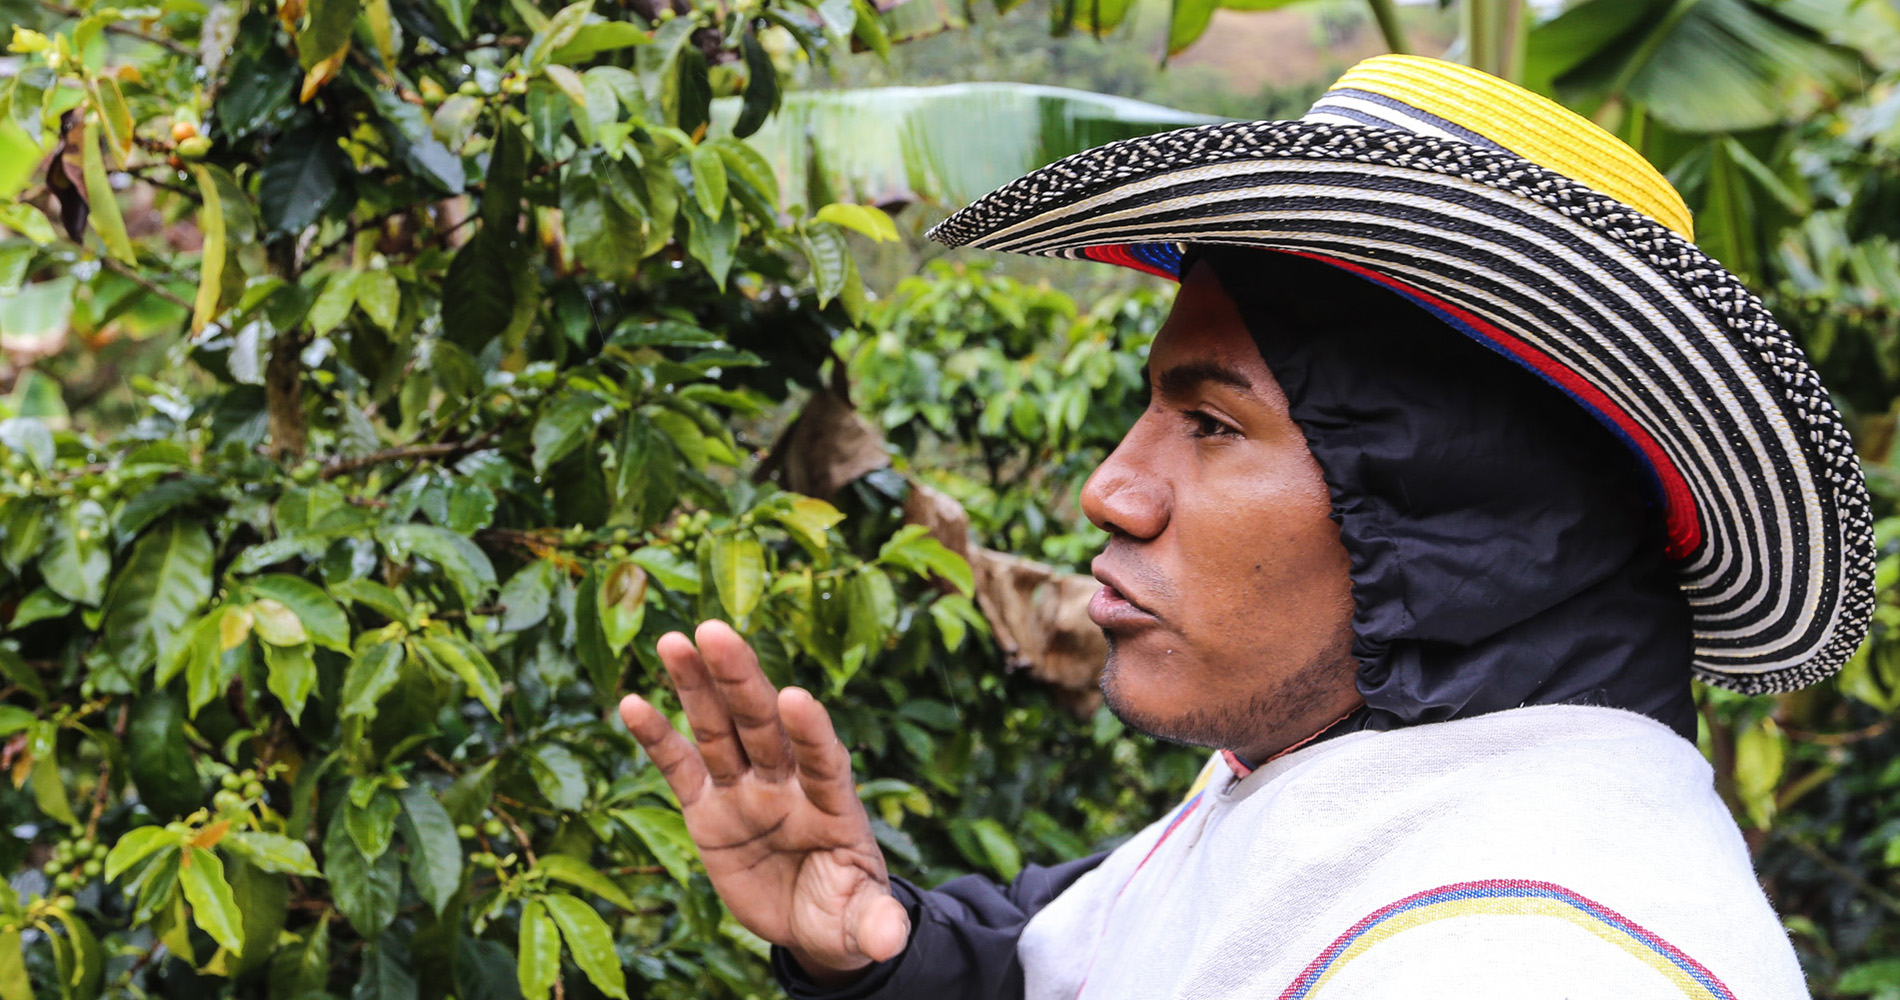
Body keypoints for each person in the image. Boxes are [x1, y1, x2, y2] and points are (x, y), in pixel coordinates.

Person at [617, 55, 1874, 998]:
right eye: (1149, 408)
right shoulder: (1340, 787)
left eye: (1210, 423)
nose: (1111, 490)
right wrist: (893, 954)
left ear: (1446, 514)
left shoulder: (1530, 955)